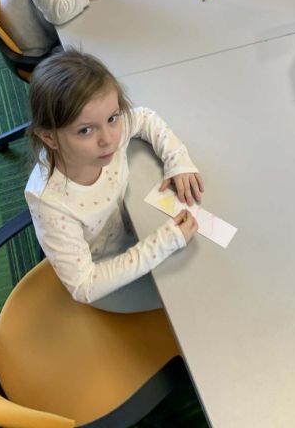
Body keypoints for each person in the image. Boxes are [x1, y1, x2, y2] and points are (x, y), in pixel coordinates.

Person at [25, 49, 202, 313]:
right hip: (107, 273)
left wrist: (177, 160)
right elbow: (85, 286)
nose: (108, 139)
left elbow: (145, 118)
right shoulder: (50, 202)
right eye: (85, 130)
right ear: (50, 138)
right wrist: (162, 242)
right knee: (193, 295)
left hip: (132, 232)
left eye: (112, 118)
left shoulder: (108, 135)